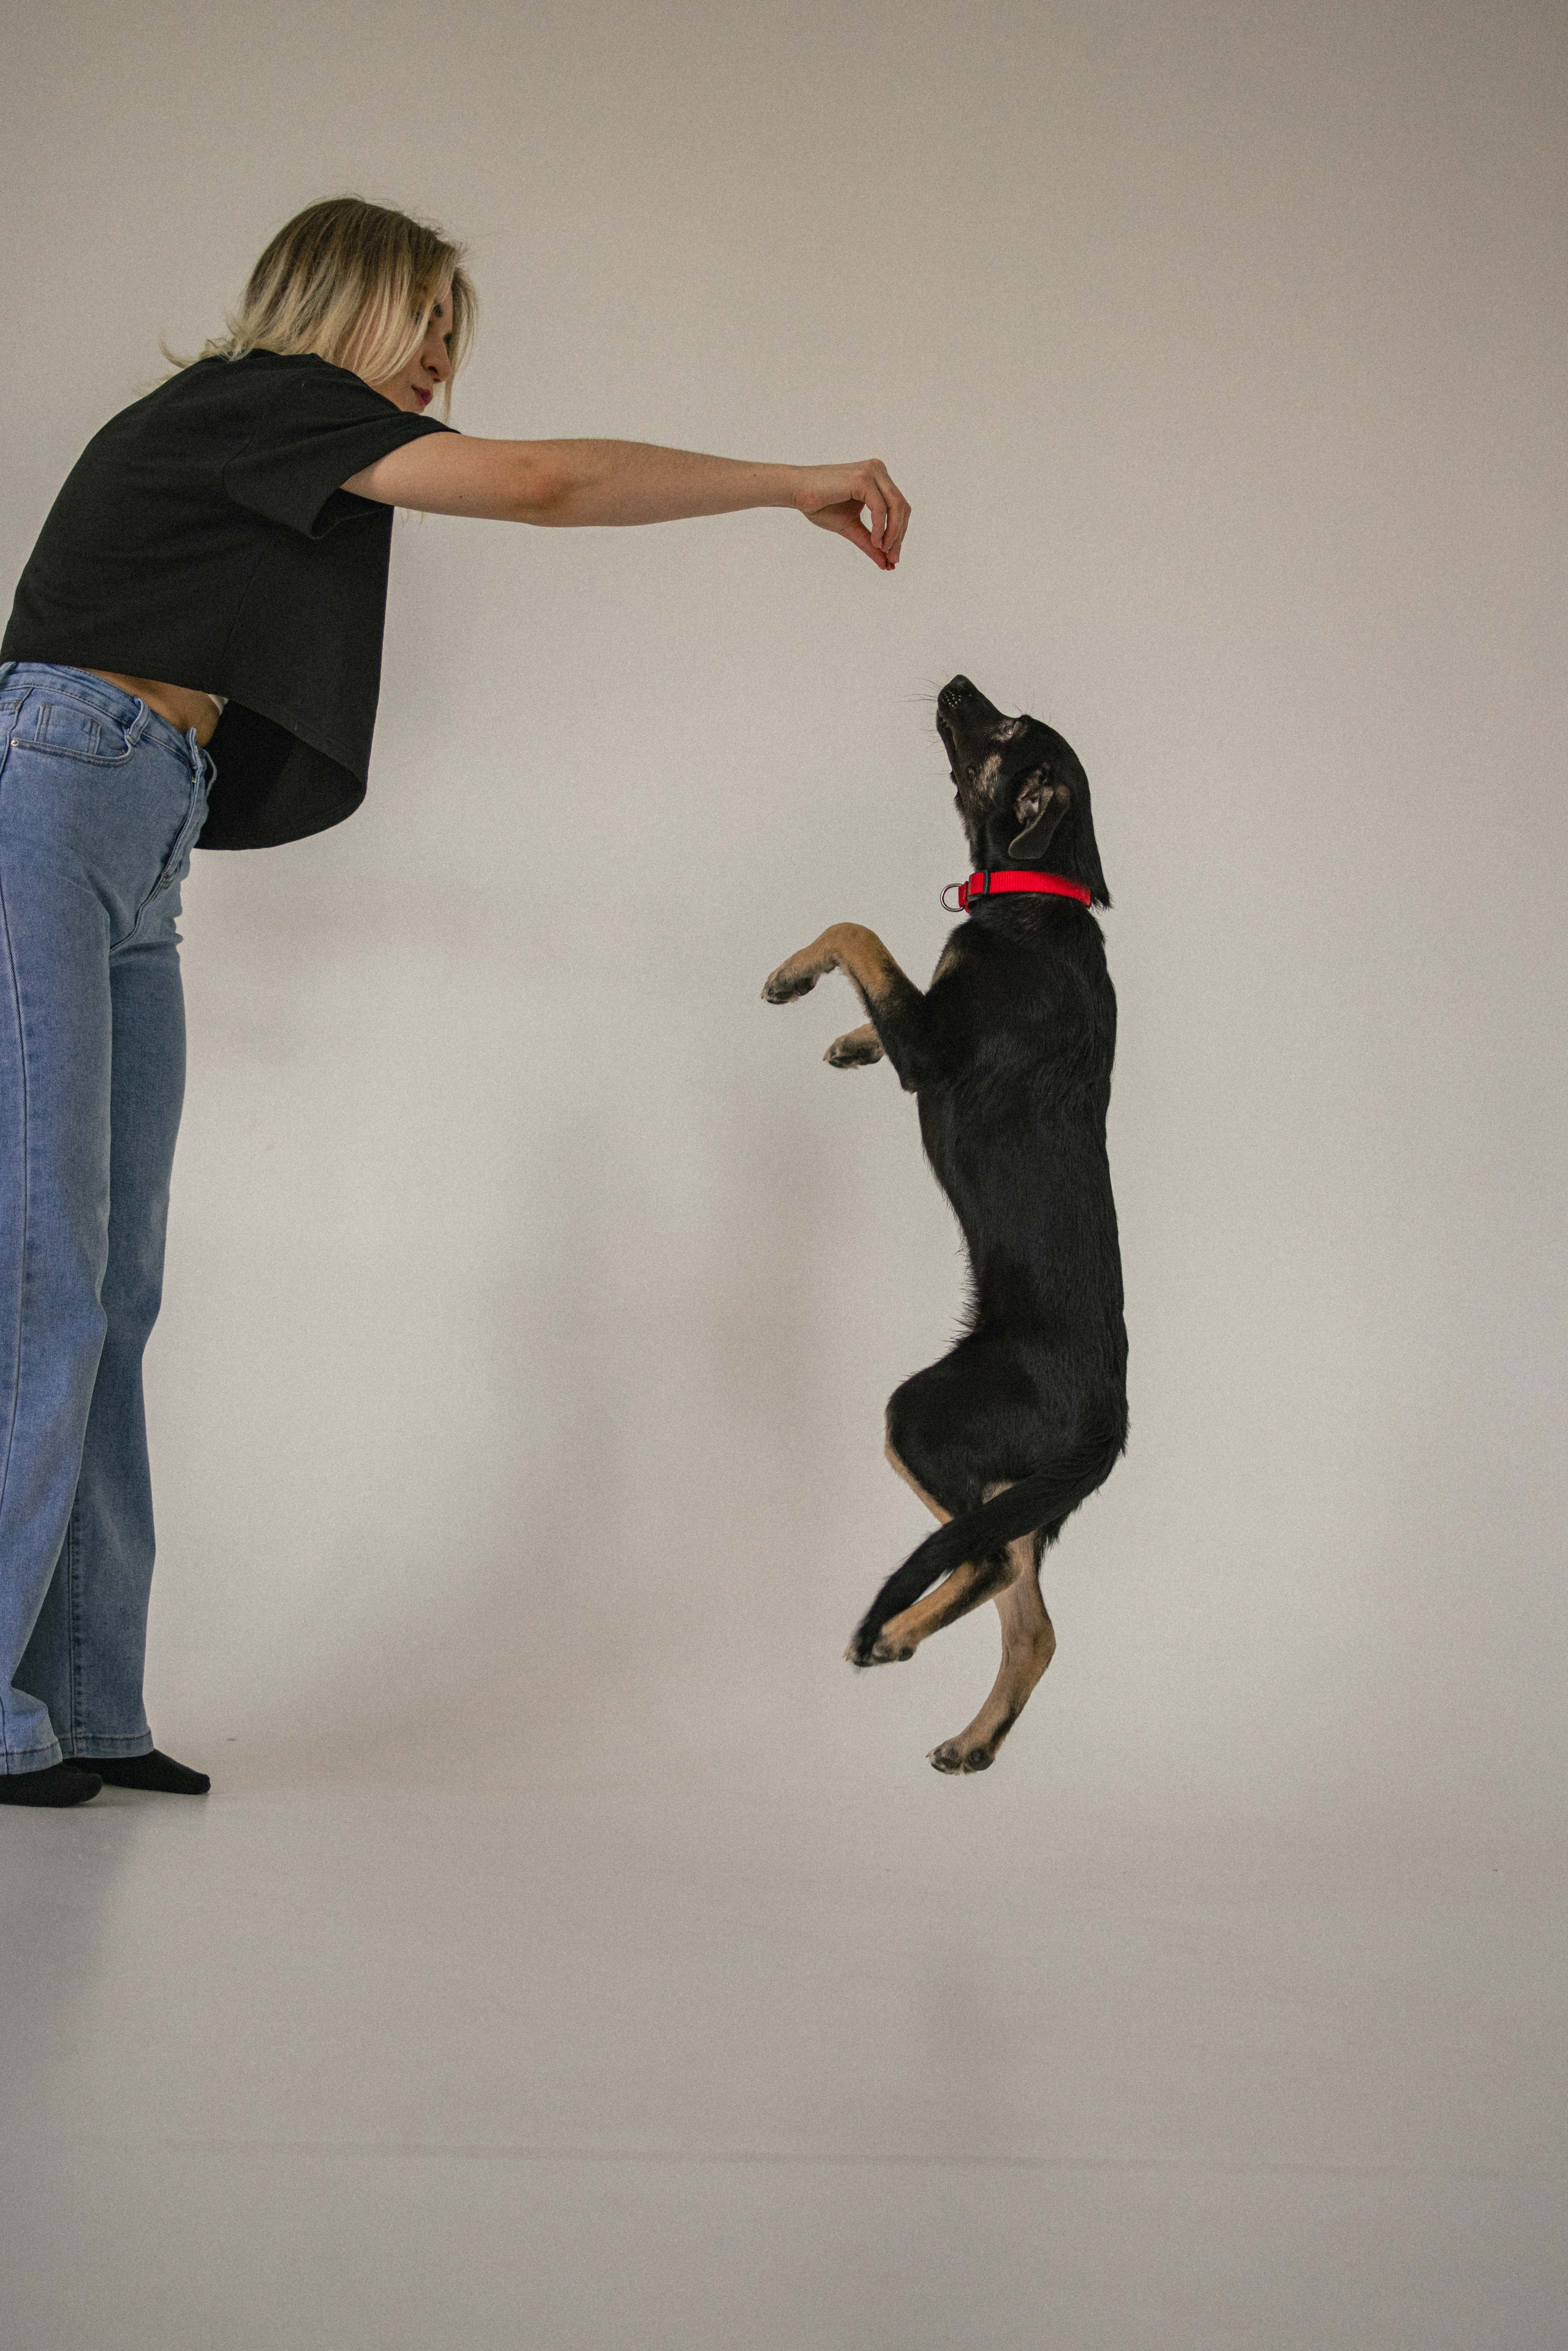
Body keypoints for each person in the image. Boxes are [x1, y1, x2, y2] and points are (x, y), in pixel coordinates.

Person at [0, 195, 911, 1807]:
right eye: (427, 322)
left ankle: (82, 1695)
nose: (442, 362)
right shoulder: (259, 400)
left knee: (113, 1291)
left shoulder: (278, 439)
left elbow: (531, 472)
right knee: (41, 1279)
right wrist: (796, 481)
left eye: (453, 337)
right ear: (346, 305)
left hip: (136, 825)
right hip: (55, 792)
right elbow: (549, 479)